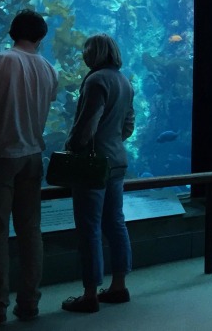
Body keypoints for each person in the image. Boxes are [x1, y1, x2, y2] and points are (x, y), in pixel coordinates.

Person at [0, 9, 58, 327]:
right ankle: (30, 303)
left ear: (12, 32)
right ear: (41, 37)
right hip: (33, 156)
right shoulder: (49, 70)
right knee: (30, 231)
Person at [60, 34, 135, 314]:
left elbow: (87, 125)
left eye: (86, 51)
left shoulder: (96, 80)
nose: (83, 55)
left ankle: (90, 293)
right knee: (115, 223)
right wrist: (112, 139)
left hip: (93, 164)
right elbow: (128, 125)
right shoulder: (124, 81)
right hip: (116, 160)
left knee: (89, 228)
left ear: (95, 53)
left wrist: (72, 146)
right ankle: (118, 286)